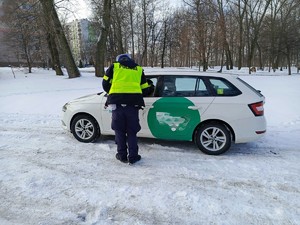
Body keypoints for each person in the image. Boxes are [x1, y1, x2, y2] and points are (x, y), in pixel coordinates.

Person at [102, 54, 151, 164]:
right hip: (133, 107)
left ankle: (122, 156)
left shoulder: (114, 67)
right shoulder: (138, 69)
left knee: (119, 131)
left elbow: (105, 84)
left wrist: (113, 93)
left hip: (117, 105)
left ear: (118, 60)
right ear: (130, 59)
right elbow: (145, 89)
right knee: (132, 132)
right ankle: (133, 157)